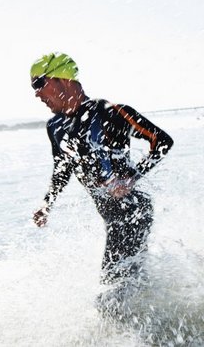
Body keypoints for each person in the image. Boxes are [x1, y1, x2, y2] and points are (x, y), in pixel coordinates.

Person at [30, 52, 173, 284]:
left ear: (63, 79)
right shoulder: (55, 127)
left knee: (112, 295)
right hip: (111, 216)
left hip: (132, 212)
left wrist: (131, 178)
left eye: (39, 83)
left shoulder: (111, 112)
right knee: (126, 288)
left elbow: (162, 142)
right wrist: (47, 204)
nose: (36, 93)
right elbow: (62, 167)